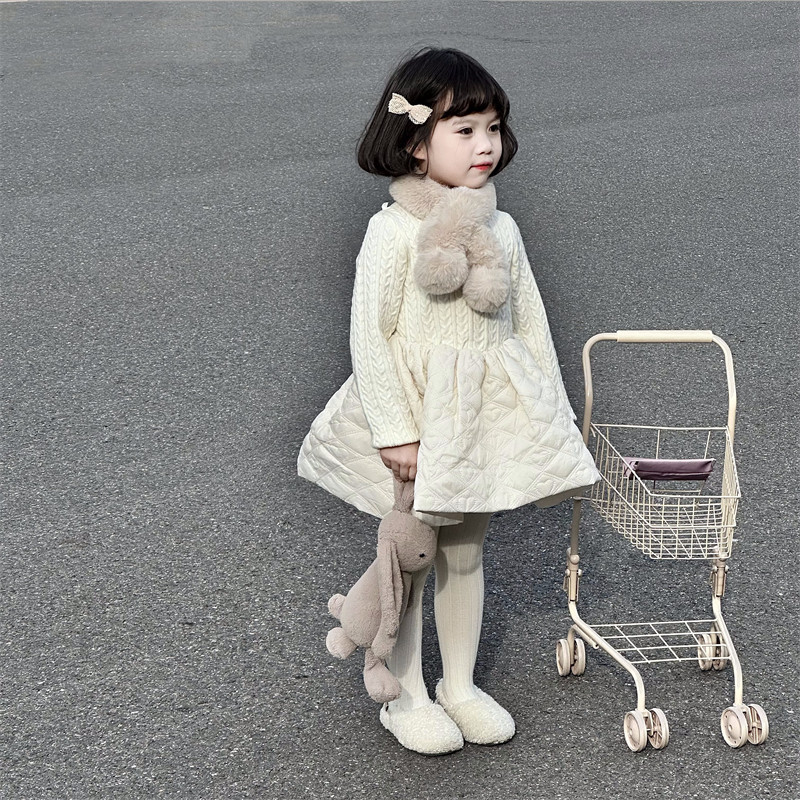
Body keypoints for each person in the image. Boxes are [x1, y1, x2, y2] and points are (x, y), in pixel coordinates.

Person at [297, 46, 601, 755]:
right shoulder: (393, 231)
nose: (484, 144)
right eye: (463, 130)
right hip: (416, 414)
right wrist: (394, 430)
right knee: (411, 556)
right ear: (415, 141)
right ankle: (404, 695)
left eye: (492, 128)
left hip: (480, 416)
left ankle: (459, 687)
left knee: (465, 553)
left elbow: (529, 325)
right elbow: (370, 336)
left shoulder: (502, 229)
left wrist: (552, 418)